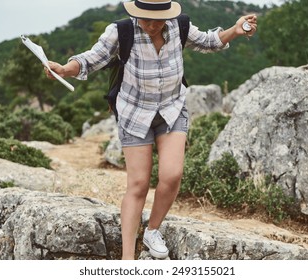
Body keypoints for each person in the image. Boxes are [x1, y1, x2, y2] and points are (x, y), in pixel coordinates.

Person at [44, 0, 257, 260]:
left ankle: (152, 230)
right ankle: (127, 259)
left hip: (171, 109)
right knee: (138, 184)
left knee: (172, 175)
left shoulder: (180, 26)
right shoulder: (120, 31)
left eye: (159, 19)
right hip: (134, 114)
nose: (154, 25)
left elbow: (209, 42)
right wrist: (66, 69)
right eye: (147, 20)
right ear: (136, 14)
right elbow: (92, 58)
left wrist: (235, 30)